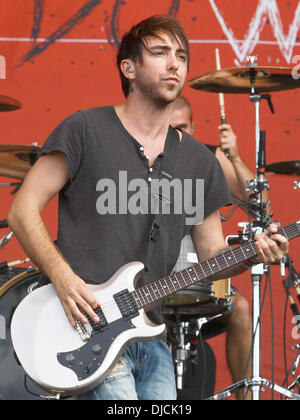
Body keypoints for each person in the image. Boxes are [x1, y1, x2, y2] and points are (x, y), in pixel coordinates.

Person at [8, 15, 288, 401]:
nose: (175, 64)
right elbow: (22, 211)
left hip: (150, 332)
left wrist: (254, 254)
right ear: (129, 68)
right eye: (160, 53)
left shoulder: (198, 162)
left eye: (182, 56)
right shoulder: (85, 129)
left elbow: (213, 255)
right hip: (81, 324)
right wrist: (65, 278)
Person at [170, 95, 268, 399]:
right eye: (171, 128)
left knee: (239, 308)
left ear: (194, 126)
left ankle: (246, 397)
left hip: (202, 270)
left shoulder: (207, 158)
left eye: (183, 127)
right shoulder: (145, 156)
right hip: (157, 276)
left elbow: (261, 207)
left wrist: (235, 158)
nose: (177, 135)